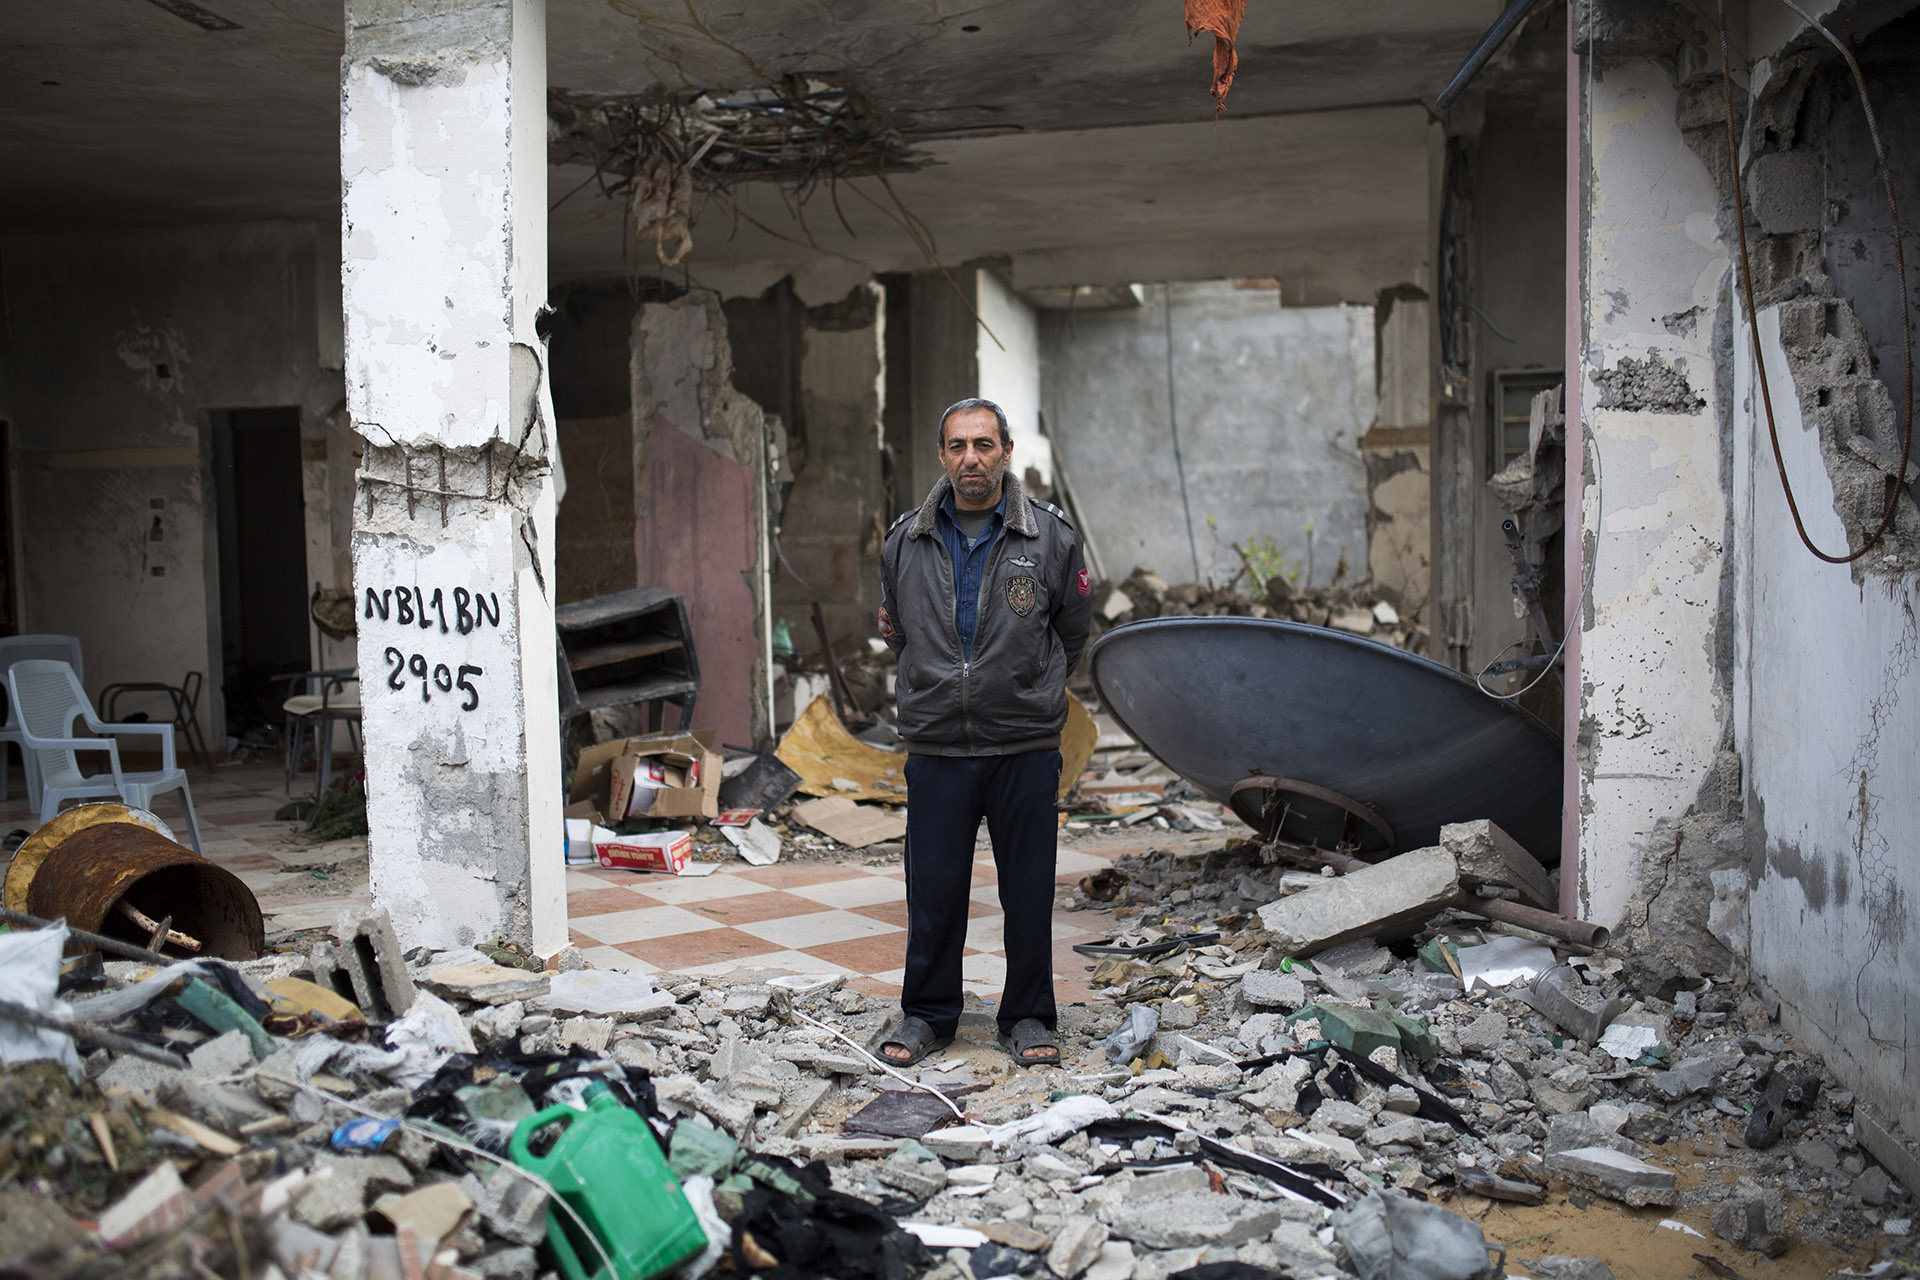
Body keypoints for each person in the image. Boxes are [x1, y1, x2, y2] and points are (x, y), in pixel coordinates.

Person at [875, 397, 1093, 1067]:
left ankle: (1027, 1017)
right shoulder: (903, 541)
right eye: (959, 445)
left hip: (1022, 746)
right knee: (933, 892)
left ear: (1005, 452)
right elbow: (898, 632)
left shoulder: (1051, 539)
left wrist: (1024, 687)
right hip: (938, 745)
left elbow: (1073, 632)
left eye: (984, 444)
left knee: (1027, 891)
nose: (972, 457)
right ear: (942, 456)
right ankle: (927, 1015)